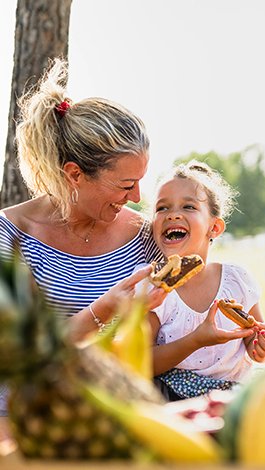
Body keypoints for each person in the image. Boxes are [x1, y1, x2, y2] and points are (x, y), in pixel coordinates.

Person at [0, 58, 167, 416]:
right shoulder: (9, 239)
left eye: (140, 181)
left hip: (122, 417)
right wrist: (103, 310)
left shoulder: (145, 236)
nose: (137, 198)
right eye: (125, 185)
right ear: (75, 174)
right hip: (25, 422)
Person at [148, 161, 265, 400]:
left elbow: (253, 340)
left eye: (188, 207)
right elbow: (142, 362)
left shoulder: (237, 280)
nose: (173, 215)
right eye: (161, 208)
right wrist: (195, 340)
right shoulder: (153, 288)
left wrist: (264, 347)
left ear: (214, 228)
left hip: (235, 395)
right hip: (172, 397)